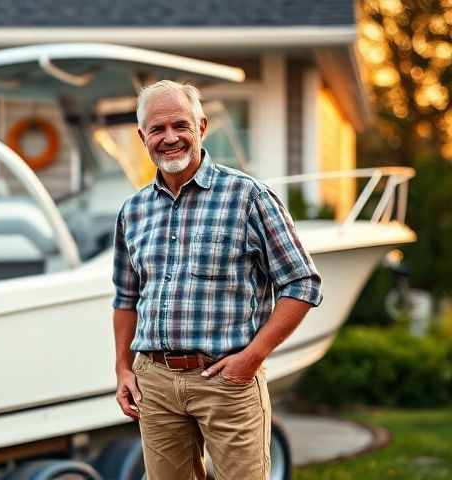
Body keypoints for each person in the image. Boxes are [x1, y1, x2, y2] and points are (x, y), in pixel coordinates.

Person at [111, 80, 322, 480]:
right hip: (154, 382)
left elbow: (302, 283)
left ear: (202, 127)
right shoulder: (133, 211)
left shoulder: (248, 197)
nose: (170, 138)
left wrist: (253, 357)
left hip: (228, 382)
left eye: (180, 126)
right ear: (142, 137)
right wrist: (123, 368)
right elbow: (126, 296)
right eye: (157, 129)